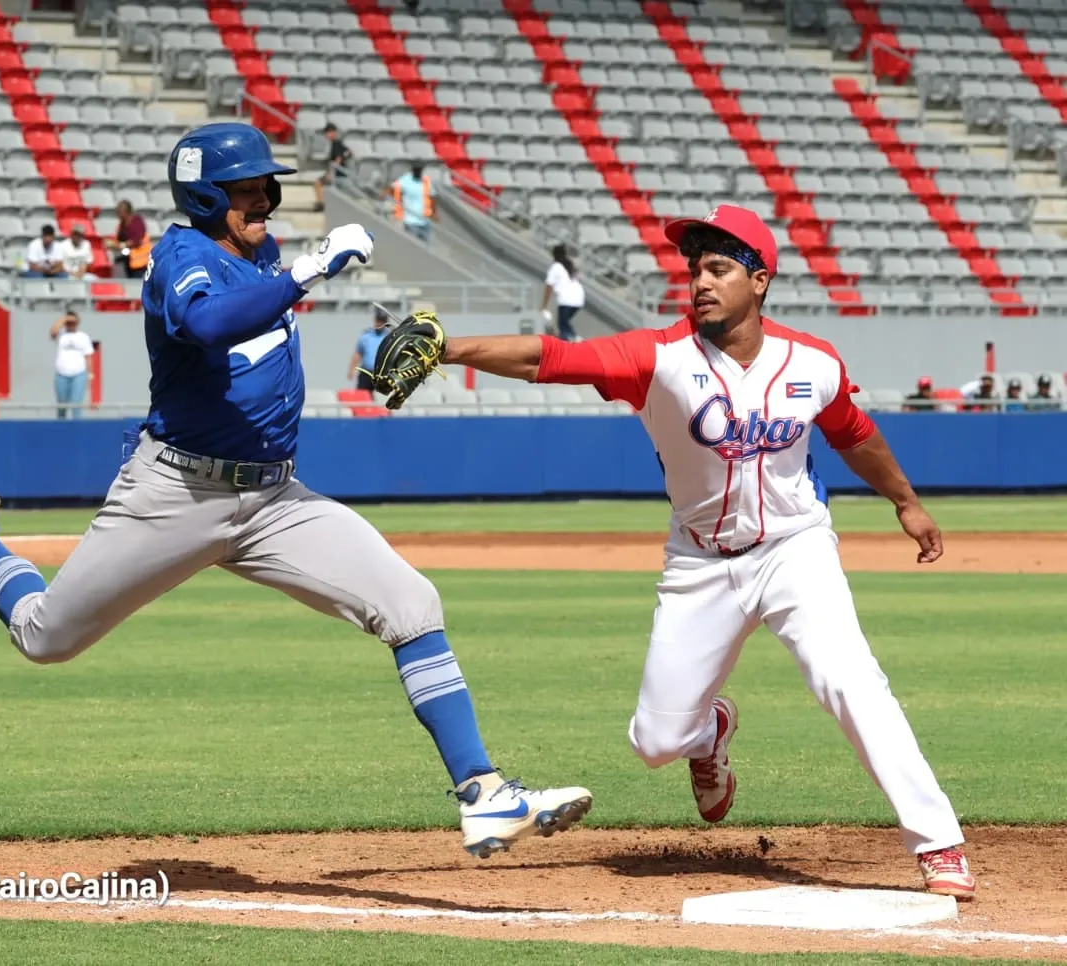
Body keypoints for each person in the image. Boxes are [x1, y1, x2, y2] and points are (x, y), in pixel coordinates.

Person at [0, 122, 592, 859]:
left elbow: (260, 319)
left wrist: (348, 312)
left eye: (266, 186)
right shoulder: (179, 257)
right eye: (246, 189)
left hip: (275, 501)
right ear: (204, 194)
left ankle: (483, 795)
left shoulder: (260, 251)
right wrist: (311, 270)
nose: (263, 200)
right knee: (44, 638)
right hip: (176, 494)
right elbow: (209, 321)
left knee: (412, 604)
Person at [402, 204, 974, 899]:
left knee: (851, 681)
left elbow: (855, 433)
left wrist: (906, 501)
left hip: (795, 549)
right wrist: (448, 348)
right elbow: (547, 358)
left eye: (719, 267)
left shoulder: (813, 363)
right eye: (694, 268)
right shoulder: (659, 357)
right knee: (654, 743)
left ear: (759, 281)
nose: (699, 280)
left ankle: (938, 842)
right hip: (700, 564)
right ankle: (709, 734)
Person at [50, 309, 95, 419]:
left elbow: (88, 356)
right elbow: (53, 332)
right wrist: (64, 319)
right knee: (61, 404)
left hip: (79, 374)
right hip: (61, 374)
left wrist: (90, 374)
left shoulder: (83, 337)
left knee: (76, 404)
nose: (70, 325)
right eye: (68, 322)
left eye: (73, 322)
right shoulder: (61, 335)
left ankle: (76, 428)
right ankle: (61, 428)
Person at [540, 244, 585, 342]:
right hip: (579, 299)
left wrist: (544, 306)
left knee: (563, 326)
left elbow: (549, 287)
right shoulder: (570, 266)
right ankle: (574, 337)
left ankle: (572, 342)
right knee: (564, 323)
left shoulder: (555, 267)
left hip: (566, 300)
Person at [347, 307, 393, 393]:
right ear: (375, 320)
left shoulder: (389, 337)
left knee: (381, 399)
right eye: (379, 320)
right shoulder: (366, 336)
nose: (380, 323)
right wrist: (352, 369)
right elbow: (358, 354)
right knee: (362, 397)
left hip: (382, 375)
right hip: (366, 373)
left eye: (382, 321)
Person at [387, 163, 434, 244]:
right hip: (411, 220)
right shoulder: (406, 179)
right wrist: (399, 201)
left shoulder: (426, 180)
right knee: (414, 245)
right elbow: (392, 189)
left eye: (420, 170)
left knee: (426, 247)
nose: (418, 171)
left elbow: (432, 196)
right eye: (416, 169)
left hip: (425, 220)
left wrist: (434, 212)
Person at [104, 201, 151, 279]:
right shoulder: (121, 226)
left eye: (119, 212)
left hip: (141, 262)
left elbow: (137, 240)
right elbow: (118, 241)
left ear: (126, 212)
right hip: (129, 261)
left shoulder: (137, 221)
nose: (118, 215)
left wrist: (122, 245)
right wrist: (111, 244)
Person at [313, 122, 352, 213]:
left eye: (328, 132)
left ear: (333, 133)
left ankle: (321, 204)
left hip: (337, 174)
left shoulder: (336, 143)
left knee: (318, 183)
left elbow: (338, 159)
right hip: (340, 173)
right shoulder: (338, 143)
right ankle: (322, 203)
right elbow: (350, 152)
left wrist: (330, 173)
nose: (326, 135)